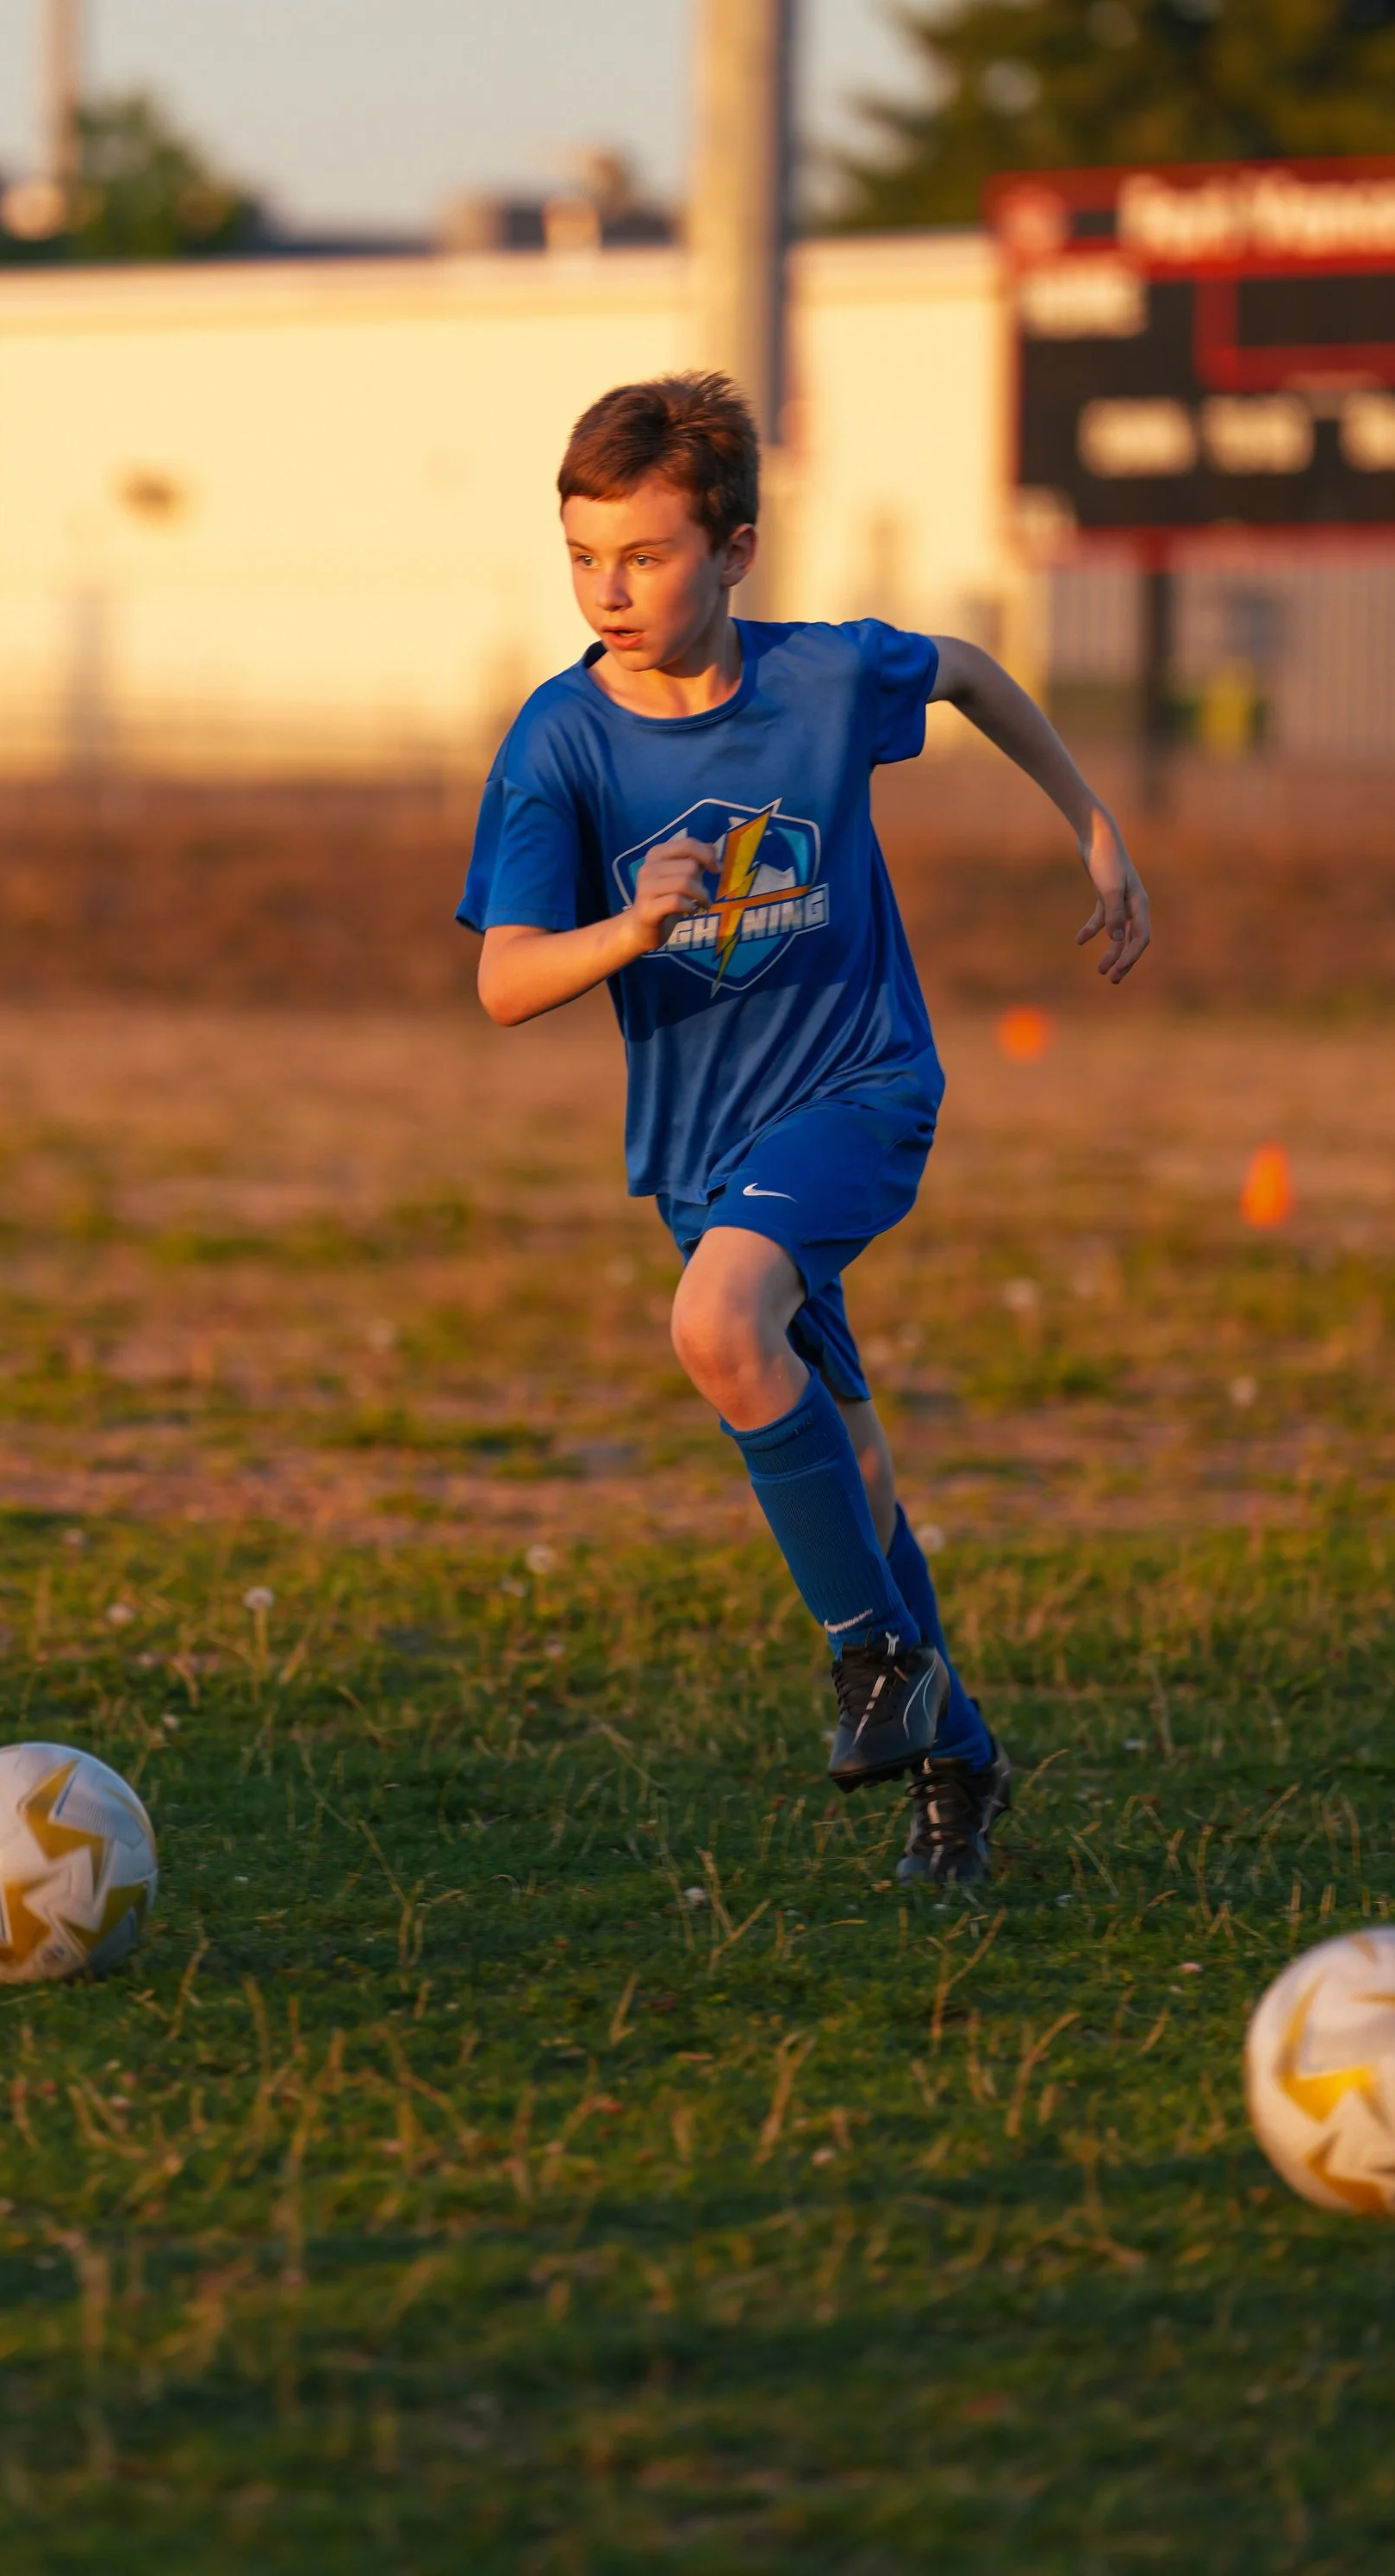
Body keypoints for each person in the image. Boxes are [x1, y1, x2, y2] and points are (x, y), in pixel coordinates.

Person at [458, 370, 1150, 1884]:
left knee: (716, 1325)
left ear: (736, 550)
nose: (609, 589)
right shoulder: (561, 740)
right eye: (583, 556)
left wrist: (1089, 821)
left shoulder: (826, 681)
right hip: (701, 1152)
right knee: (855, 1468)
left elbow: (968, 673)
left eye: (643, 556)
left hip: (862, 1089)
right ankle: (956, 1755)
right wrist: (629, 929)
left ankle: (867, 1662)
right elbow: (508, 981)